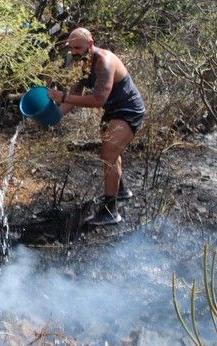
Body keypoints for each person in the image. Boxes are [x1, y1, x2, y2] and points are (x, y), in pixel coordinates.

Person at [48, 27, 145, 225]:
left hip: (129, 109)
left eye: (78, 47)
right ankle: (121, 191)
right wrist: (55, 115)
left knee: (108, 153)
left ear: (90, 44)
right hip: (112, 110)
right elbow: (76, 94)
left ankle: (110, 211)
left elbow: (98, 99)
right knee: (110, 152)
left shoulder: (104, 61)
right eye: (71, 47)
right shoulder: (82, 63)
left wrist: (63, 97)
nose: (74, 51)